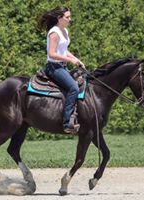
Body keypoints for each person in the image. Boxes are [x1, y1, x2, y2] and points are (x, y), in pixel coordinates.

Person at [38, 6, 84, 134]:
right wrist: (71, 61)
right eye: (67, 17)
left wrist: (76, 59)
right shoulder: (54, 32)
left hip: (62, 66)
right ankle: (67, 122)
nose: (70, 19)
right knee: (74, 88)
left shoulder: (65, 31)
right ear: (59, 18)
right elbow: (52, 53)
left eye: (70, 16)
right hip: (54, 67)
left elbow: (64, 50)